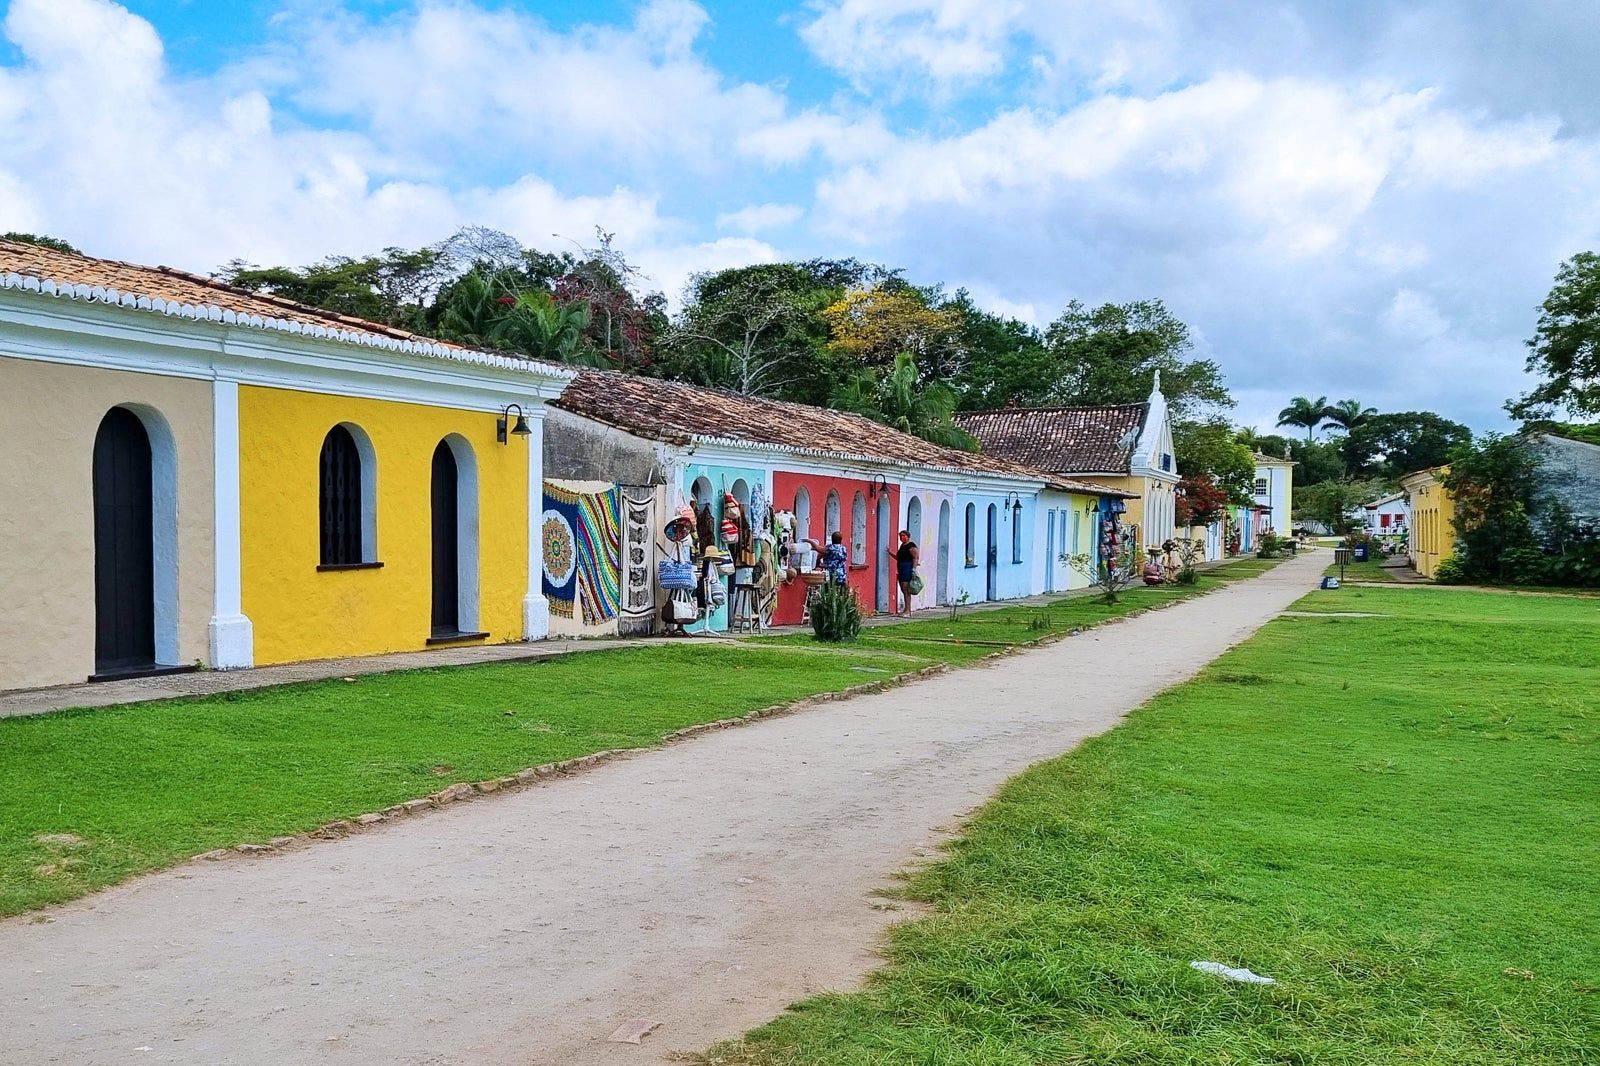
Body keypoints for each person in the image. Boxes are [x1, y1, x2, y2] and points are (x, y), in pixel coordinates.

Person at [888, 530, 919, 615]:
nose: (902, 538)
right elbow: (899, 558)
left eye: (904, 536)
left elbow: (915, 558)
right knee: (903, 588)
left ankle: (908, 610)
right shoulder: (902, 546)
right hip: (901, 568)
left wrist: (914, 569)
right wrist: (890, 553)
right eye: (901, 536)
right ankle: (906, 609)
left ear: (908, 536)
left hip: (907, 568)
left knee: (906, 589)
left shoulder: (911, 546)